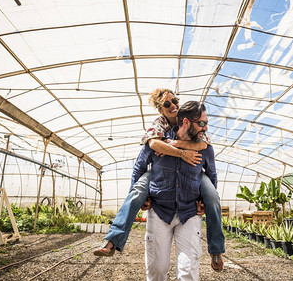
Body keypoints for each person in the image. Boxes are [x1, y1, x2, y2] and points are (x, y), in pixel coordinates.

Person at [93, 89, 224, 271]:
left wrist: (176, 145)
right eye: (167, 104)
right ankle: (113, 239)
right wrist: (176, 151)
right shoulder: (159, 128)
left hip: (190, 201)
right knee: (137, 191)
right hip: (157, 188)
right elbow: (150, 148)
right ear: (160, 110)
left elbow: (204, 146)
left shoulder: (196, 129)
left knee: (212, 196)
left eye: (175, 101)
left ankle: (216, 249)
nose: (174, 106)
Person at [136, 101, 216, 280]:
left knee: (188, 270)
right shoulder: (159, 141)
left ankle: (216, 250)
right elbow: (139, 167)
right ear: (186, 122)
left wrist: (205, 202)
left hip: (189, 213)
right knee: (157, 268)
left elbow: (211, 176)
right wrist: (142, 197)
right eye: (201, 123)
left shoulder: (205, 148)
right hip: (159, 211)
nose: (205, 128)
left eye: (206, 123)